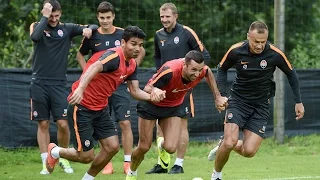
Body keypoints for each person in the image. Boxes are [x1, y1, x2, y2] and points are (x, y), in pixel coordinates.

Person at [45, 26, 165, 180]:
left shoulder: (132, 64)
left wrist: (152, 96)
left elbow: (135, 91)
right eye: (133, 44)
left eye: (140, 45)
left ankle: (87, 178)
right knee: (86, 156)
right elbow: (94, 66)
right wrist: (81, 89)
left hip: (100, 108)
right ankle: (54, 151)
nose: (137, 48)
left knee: (112, 147)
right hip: (82, 107)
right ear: (123, 42)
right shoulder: (114, 55)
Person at [210, 21, 305, 180]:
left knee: (249, 151)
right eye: (256, 42)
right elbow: (222, 68)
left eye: (263, 42)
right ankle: (216, 175)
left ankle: (224, 144)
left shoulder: (275, 53)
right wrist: (221, 95)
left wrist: (298, 101)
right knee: (230, 141)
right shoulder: (236, 50)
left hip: (261, 105)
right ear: (248, 37)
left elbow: (291, 73)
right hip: (238, 102)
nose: (260, 45)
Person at [126, 50, 228, 180]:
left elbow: (207, 72)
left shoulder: (201, 71)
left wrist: (217, 97)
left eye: (199, 70)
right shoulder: (170, 71)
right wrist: (155, 90)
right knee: (144, 147)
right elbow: (147, 88)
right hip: (151, 105)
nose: (197, 74)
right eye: (193, 70)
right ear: (184, 65)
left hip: (172, 107)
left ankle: (161, 145)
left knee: (171, 148)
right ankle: (132, 172)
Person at [76, 1, 145, 174]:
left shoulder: (125, 35)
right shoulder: (92, 35)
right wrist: (86, 77)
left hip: (120, 86)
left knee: (125, 122)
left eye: (108, 17)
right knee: (94, 148)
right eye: (102, 18)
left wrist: (129, 70)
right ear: (97, 18)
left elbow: (139, 53)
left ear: (113, 16)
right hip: (98, 91)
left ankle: (127, 161)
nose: (105, 21)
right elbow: (83, 57)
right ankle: (105, 161)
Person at [29, 0, 98, 175]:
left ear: (60, 14)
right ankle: (46, 161)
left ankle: (63, 157)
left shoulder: (67, 28)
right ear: (45, 13)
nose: (53, 19)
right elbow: (35, 37)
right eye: (50, 15)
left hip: (59, 84)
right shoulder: (37, 25)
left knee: (63, 124)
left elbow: (93, 25)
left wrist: (89, 28)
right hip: (39, 82)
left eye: (56, 15)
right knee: (43, 123)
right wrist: (44, 17)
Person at [146, 2, 212, 174]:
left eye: (168, 16)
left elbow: (204, 56)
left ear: (176, 16)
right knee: (159, 126)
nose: (164, 20)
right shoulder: (158, 35)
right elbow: (158, 60)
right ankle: (162, 163)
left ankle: (179, 164)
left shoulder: (186, 32)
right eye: (162, 17)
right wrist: (156, 83)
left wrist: (192, 75)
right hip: (163, 86)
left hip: (182, 87)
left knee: (182, 125)